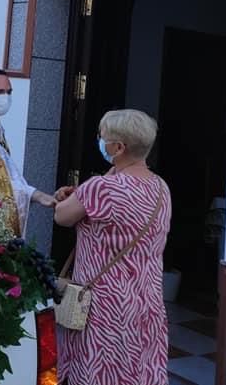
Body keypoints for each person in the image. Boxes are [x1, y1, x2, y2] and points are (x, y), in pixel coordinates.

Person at [54, 109, 171, 385]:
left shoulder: (101, 188)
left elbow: (62, 216)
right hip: (146, 299)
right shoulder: (160, 187)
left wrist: (72, 195)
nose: (99, 141)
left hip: (104, 302)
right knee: (138, 369)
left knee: (99, 370)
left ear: (118, 147)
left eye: (102, 137)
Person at [0, 67, 55, 236]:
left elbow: (6, 174)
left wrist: (38, 195)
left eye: (9, 92)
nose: (6, 98)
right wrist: (36, 195)